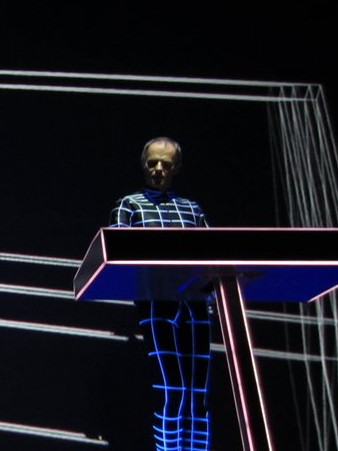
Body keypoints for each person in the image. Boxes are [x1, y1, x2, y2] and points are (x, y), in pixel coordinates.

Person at [110, 138, 211, 451]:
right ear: (143, 164)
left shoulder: (192, 208)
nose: (157, 169)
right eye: (152, 162)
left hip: (195, 301)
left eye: (165, 164)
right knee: (171, 389)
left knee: (198, 391)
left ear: (176, 168)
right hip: (157, 300)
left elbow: (214, 251)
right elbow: (117, 252)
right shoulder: (129, 205)